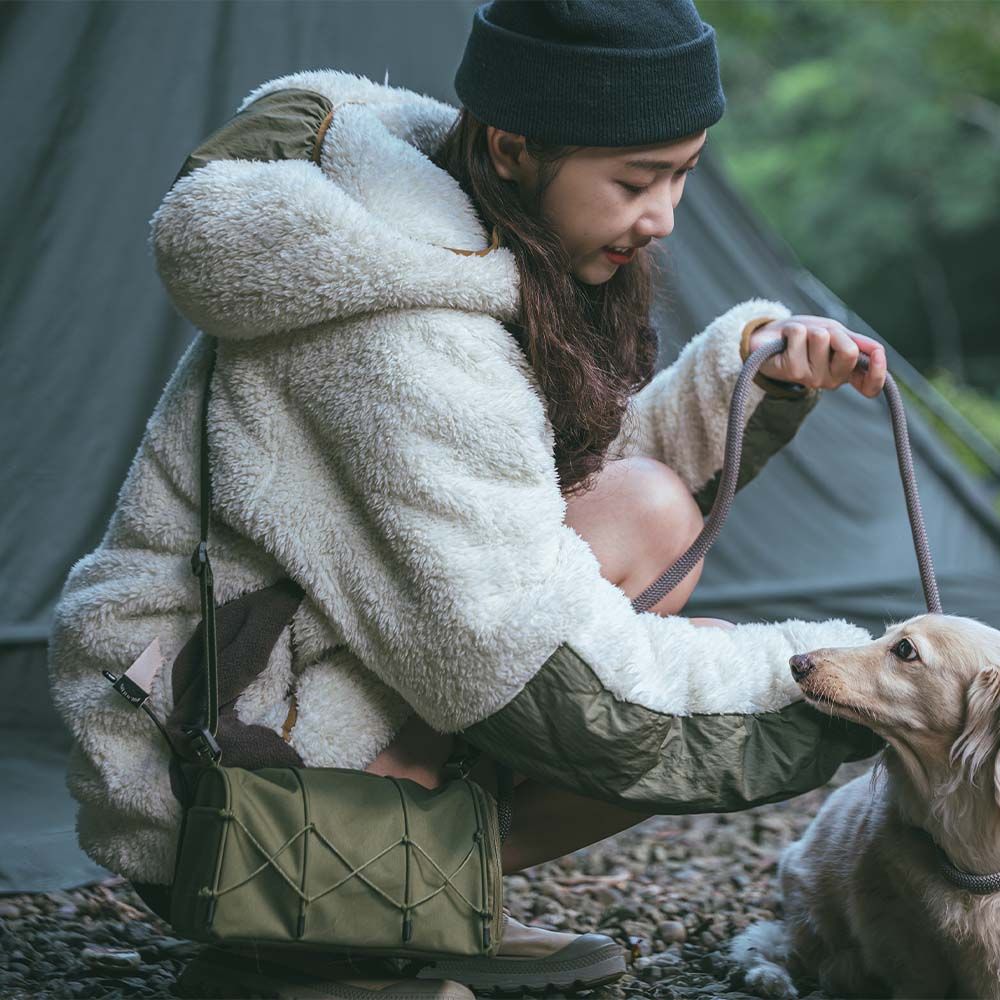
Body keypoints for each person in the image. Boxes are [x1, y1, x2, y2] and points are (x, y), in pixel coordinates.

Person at [47, 1, 889, 996]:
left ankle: (419, 900)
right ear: (513, 146)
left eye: (682, 173)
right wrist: (868, 681)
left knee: (650, 509)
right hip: (214, 756)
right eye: (634, 179)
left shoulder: (469, 239)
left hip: (301, 666)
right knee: (617, 689)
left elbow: (534, 493)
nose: (662, 215)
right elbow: (537, 661)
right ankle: (327, 927)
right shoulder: (399, 334)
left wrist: (752, 379)